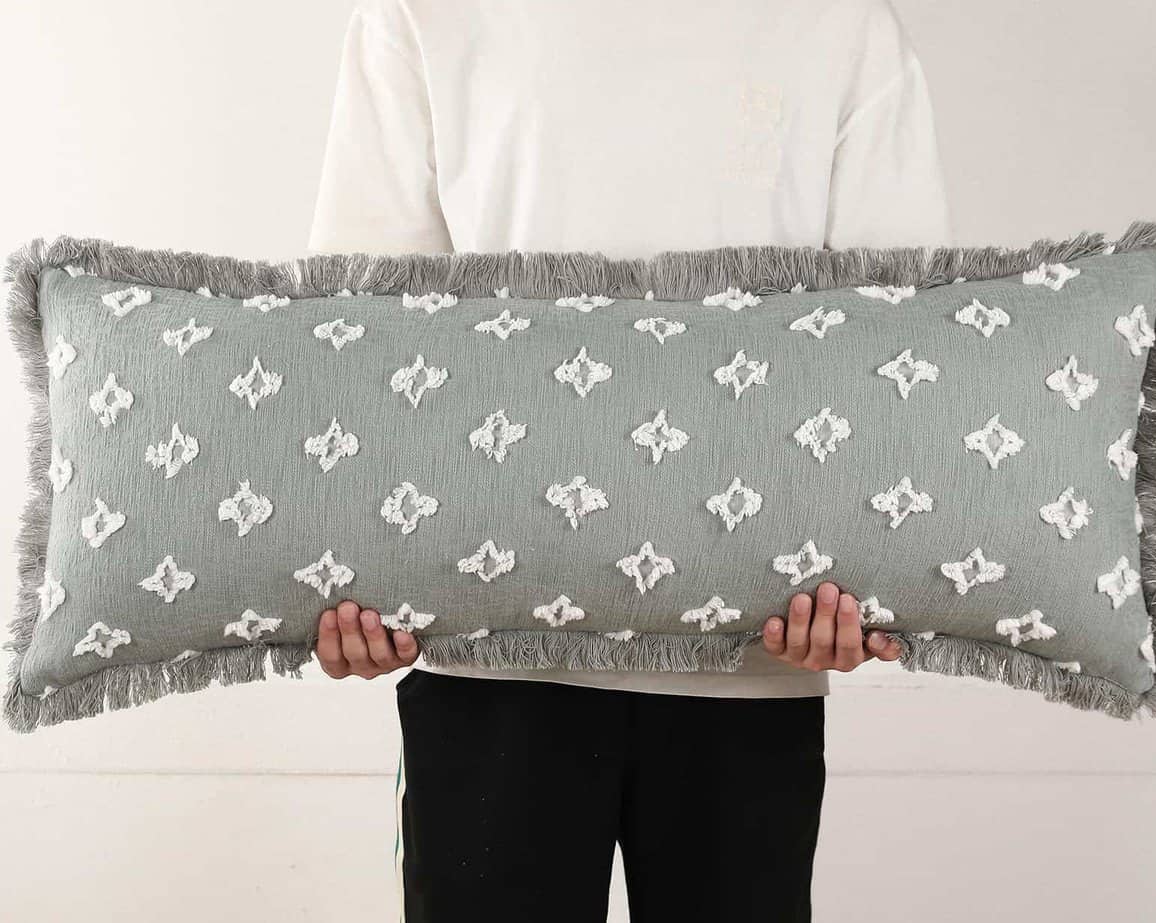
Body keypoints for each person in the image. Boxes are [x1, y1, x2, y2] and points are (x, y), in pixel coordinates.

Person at [308, 1, 951, 919]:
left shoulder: (843, 26)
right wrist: (348, 580)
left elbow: (899, 359)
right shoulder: (419, 14)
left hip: (754, 653)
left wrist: (877, 594)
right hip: (489, 660)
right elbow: (362, 344)